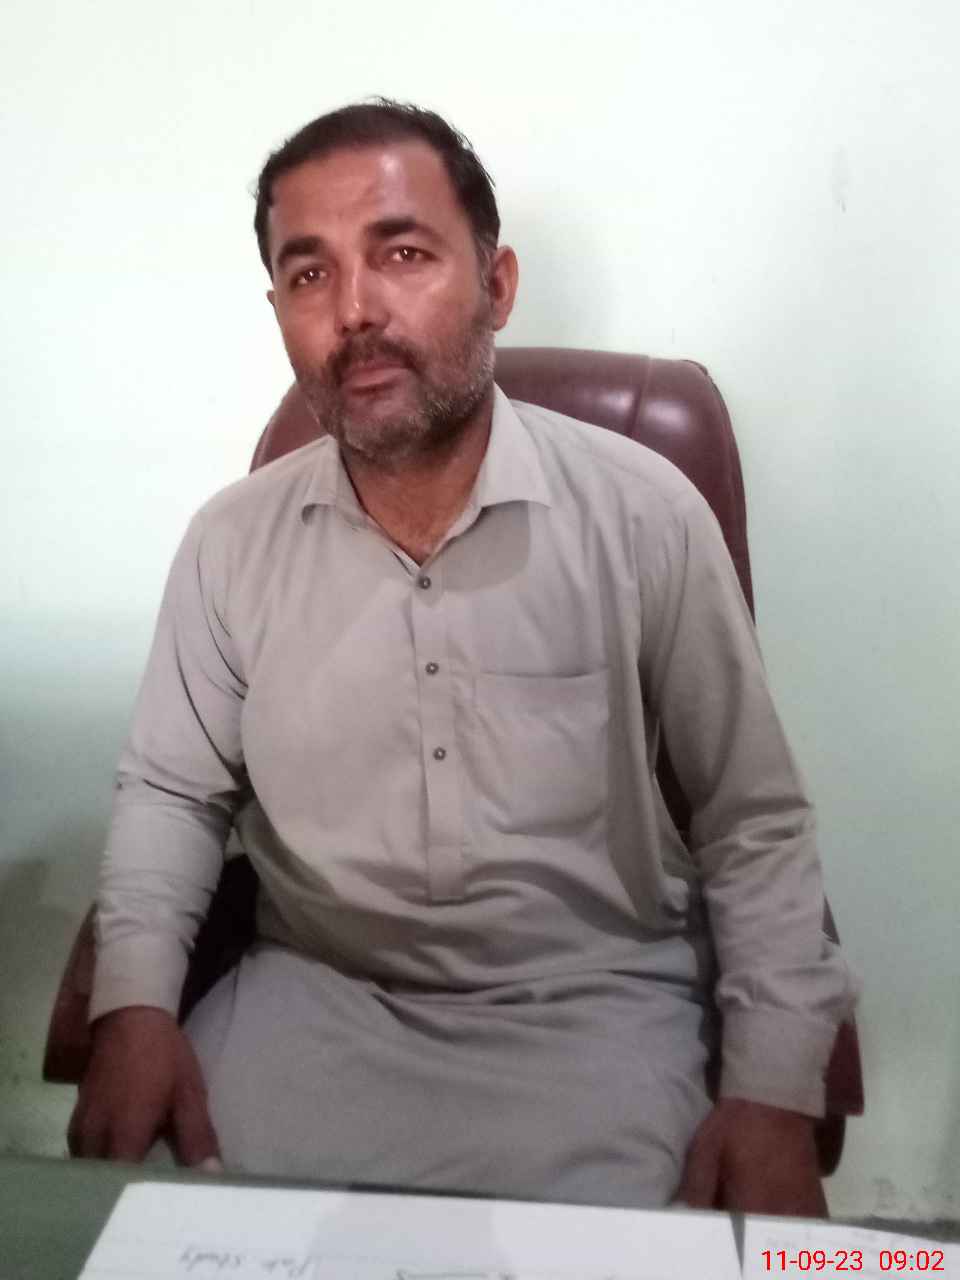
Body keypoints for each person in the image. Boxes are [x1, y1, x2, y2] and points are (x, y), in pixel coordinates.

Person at [68, 99, 858, 1214]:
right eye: (309, 273)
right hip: (312, 1012)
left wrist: (773, 1089)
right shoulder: (229, 544)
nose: (354, 311)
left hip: (602, 1022)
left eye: (401, 253)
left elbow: (752, 819)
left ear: (497, 284)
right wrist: (136, 1008)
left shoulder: (644, 517)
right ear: (278, 310)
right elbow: (171, 792)